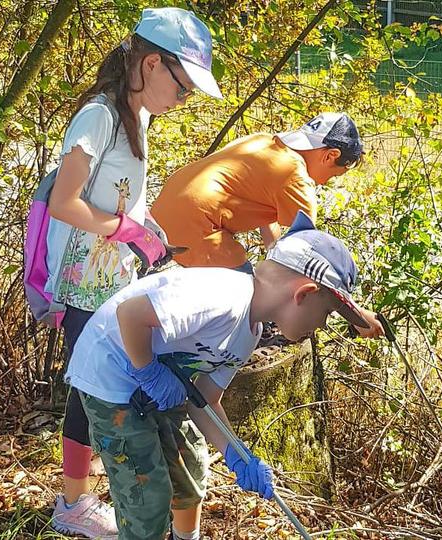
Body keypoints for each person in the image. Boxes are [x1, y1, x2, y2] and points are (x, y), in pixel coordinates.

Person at [64, 211, 376, 540]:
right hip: (111, 373)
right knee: (147, 497)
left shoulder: (249, 333)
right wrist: (149, 372)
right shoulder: (222, 297)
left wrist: (236, 453)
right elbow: (131, 314)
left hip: (160, 380)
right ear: (302, 294)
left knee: (191, 471)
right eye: (326, 312)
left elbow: (205, 400)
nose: (323, 325)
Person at [45, 8, 224, 538]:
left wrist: (151, 232)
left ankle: (81, 496)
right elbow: (64, 202)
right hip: (85, 283)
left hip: (116, 280)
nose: (184, 98)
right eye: (184, 86)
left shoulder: (137, 114)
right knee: (86, 387)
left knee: (98, 385)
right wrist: (128, 230)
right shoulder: (99, 117)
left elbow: (122, 196)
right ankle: (72, 504)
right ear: (151, 64)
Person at [150, 113, 365, 274]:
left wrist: (272, 253)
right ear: (330, 156)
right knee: (246, 297)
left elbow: (268, 222)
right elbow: (309, 252)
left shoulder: (266, 142)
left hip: (161, 214)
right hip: (195, 224)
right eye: (336, 174)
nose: (328, 182)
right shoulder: (295, 176)